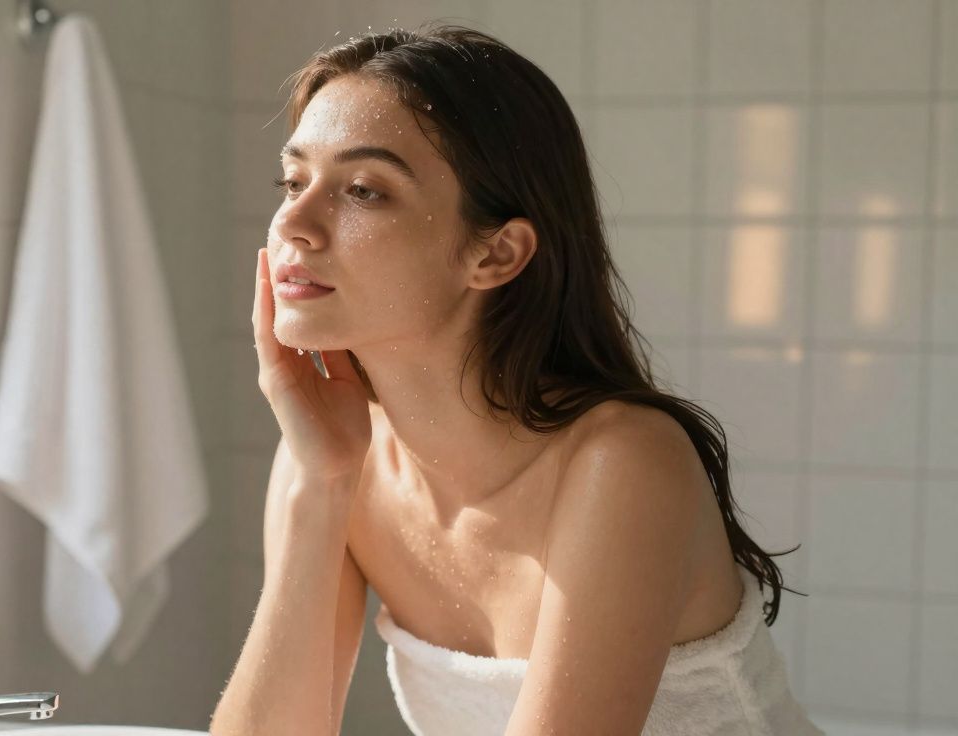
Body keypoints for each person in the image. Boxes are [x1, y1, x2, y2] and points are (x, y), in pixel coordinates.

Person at [210, 22, 824, 736]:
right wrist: (321, 486)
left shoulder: (621, 463)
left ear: (496, 254)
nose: (294, 222)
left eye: (363, 190)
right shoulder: (331, 458)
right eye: (294, 180)